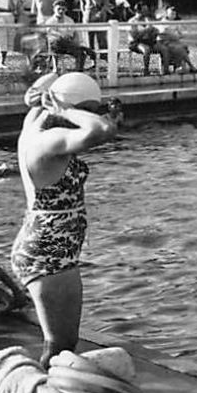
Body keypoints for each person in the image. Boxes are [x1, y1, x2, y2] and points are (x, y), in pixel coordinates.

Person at [11, 72, 121, 366]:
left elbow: (38, 93)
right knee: (60, 345)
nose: (91, 115)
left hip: (52, 248)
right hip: (48, 252)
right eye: (88, 109)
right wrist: (68, 109)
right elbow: (99, 131)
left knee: (63, 343)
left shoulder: (35, 125)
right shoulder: (49, 139)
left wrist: (46, 95)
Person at [42, 0, 92, 71]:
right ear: (54, 9)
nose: (61, 11)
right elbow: (50, 33)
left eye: (63, 9)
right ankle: (55, 69)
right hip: (55, 45)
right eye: (59, 9)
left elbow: (70, 33)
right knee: (56, 41)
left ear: (66, 10)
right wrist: (61, 36)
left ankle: (78, 71)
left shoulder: (69, 20)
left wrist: (67, 37)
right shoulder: (50, 21)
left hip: (67, 44)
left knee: (81, 53)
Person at [155, 6, 197, 75]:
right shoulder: (163, 22)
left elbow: (181, 35)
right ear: (167, 14)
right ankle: (191, 66)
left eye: (174, 14)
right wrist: (171, 35)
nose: (173, 15)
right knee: (181, 49)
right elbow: (161, 34)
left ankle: (182, 67)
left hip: (174, 42)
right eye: (171, 14)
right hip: (165, 43)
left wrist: (174, 36)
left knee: (183, 47)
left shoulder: (177, 23)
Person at [126, 2, 162, 75]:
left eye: (147, 10)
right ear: (138, 11)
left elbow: (154, 31)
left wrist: (154, 31)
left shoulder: (147, 20)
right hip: (135, 43)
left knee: (164, 48)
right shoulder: (132, 21)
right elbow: (135, 36)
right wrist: (147, 30)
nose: (147, 12)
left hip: (147, 41)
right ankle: (146, 70)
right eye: (144, 10)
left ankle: (165, 70)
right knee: (146, 49)